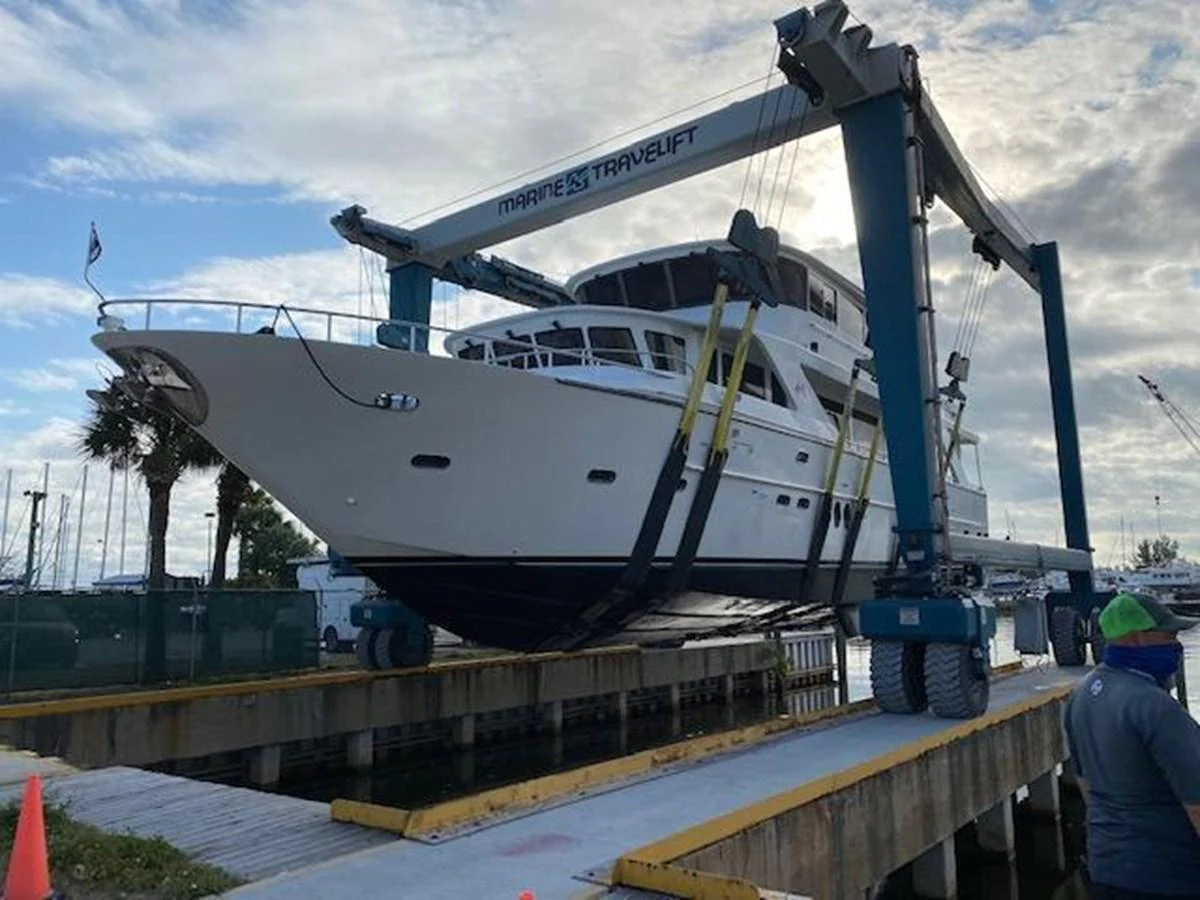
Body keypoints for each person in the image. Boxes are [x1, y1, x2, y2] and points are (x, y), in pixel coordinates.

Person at [1064, 591, 1200, 898]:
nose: (1176, 645)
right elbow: (1197, 804)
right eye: (1169, 635)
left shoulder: (1081, 695)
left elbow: (1085, 784)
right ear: (1138, 638)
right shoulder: (1156, 707)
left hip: (1106, 867)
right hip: (1168, 875)